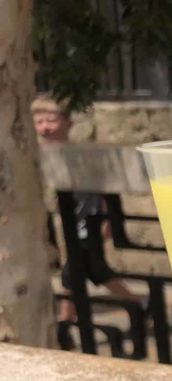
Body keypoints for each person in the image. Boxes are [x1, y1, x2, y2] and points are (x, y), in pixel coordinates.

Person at [32, 96, 140, 323]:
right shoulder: (36, 157)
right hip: (65, 226)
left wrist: (108, 220)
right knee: (96, 271)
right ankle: (139, 304)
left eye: (51, 121)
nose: (44, 128)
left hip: (87, 224)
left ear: (68, 123)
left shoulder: (81, 157)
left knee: (73, 272)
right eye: (39, 122)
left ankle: (66, 321)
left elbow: (105, 191)